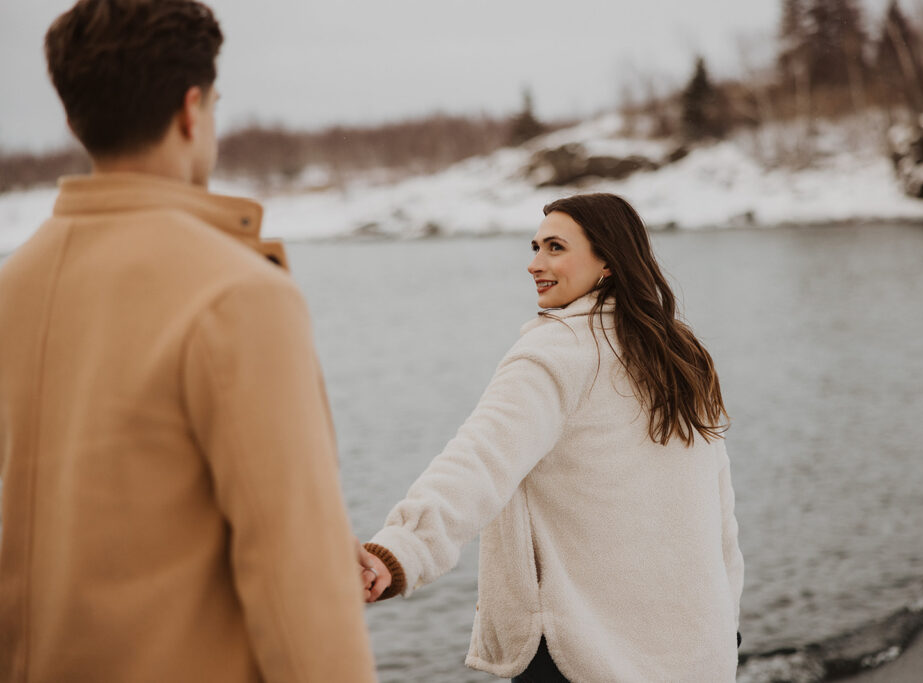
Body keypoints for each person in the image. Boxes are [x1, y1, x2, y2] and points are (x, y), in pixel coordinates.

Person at [0, 1, 376, 681]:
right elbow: (300, 590)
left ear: (72, 117)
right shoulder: (241, 296)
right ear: (191, 109)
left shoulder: (12, 285)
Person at [362, 193, 744, 682]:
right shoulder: (681, 353)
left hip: (584, 655)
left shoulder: (555, 352)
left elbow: (476, 463)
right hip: (698, 652)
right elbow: (722, 519)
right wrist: (725, 621)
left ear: (607, 259)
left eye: (555, 248)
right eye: (536, 247)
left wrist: (397, 554)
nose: (534, 264)